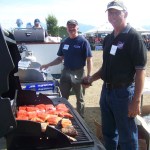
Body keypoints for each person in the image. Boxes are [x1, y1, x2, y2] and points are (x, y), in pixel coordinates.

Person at [83, 0, 147, 150]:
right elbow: (106, 68)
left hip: (124, 94)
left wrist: (136, 100)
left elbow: (140, 71)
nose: (113, 15)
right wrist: (91, 78)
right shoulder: (108, 38)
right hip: (106, 92)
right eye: (110, 12)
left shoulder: (133, 37)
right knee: (108, 133)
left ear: (125, 14)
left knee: (127, 136)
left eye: (116, 12)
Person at [40, 19, 93, 118]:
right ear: (67, 28)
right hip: (65, 72)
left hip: (79, 72)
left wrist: (89, 76)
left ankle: (81, 117)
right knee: (63, 97)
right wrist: (48, 65)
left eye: (73, 26)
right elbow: (60, 58)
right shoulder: (64, 42)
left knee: (79, 98)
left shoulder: (83, 42)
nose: (71, 28)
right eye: (69, 27)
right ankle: (62, 115)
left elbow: (89, 60)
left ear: (77, 27)